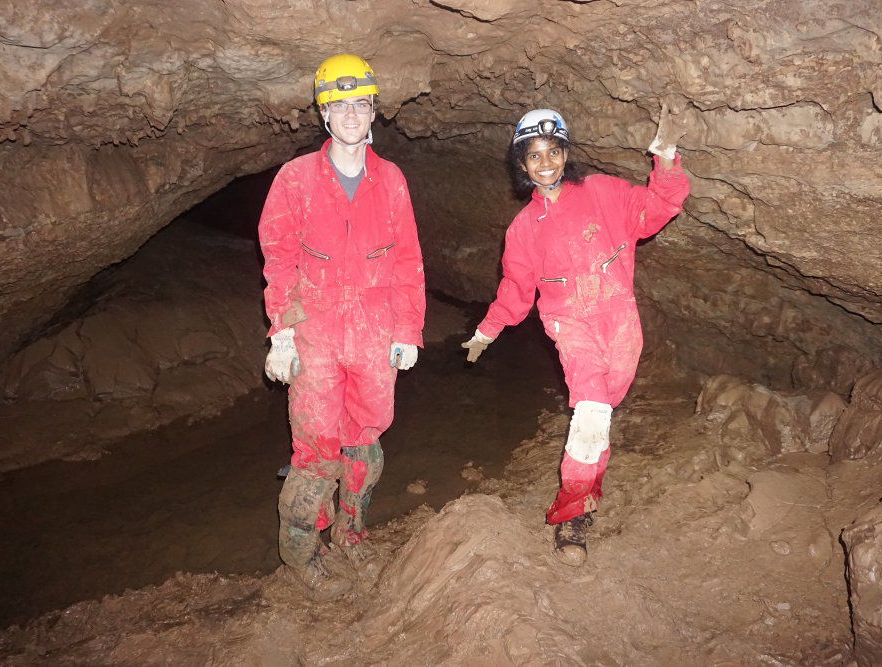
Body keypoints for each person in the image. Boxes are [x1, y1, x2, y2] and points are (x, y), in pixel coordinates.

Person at [461, 105, 689, 566]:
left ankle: (587, 488)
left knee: (600, 418)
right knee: (589, 415)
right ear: (521, 166)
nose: (544, 163)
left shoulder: (603, 191)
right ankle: (572, 517)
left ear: (565, 153)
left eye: (552, 152)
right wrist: (486, 331)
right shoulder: (524, 228)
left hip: (620, 320)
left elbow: (657, 208)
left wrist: (666, 160)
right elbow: (516, 289)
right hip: (570, 323)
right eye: (533, 156)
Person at [258, 53, 425, 599]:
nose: (350, 113)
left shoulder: (392, 179)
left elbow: (407, 260)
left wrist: (408, 331)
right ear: (323, 114)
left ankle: (352, 528)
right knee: (315, 445)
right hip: (317, 328)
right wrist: (281, 333)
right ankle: (303, 554)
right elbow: (279, 258)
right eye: (338, 104)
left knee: (366, 436)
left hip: (376, 328)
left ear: (373, 109)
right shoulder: (295, 178)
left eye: (360, 103)